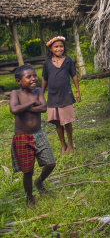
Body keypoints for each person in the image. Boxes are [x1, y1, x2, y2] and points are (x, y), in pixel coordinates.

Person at [10, 65, 56, 207]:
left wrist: (23, 107)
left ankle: (39, 181)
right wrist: (31, 102)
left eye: (34, 75)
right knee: (28, 170)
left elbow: (43, 107)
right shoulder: (15, 93)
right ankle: (30, 197)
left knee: (50, 163)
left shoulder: (38, 91)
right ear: (19, 80)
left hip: (39, 134)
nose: (33, 79)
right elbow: (14, 109)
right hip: (22, 137)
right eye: (28, 77)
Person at [41, 36, 81, 154]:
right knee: (57, 122)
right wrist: (40, 94)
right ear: (51, 49)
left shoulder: (68, 60)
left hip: (65, 95)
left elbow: (74, 75)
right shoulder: (47, 63)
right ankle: (62, 145)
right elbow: (44, 79)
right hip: (53, 96)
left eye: (61, 46)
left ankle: (70, 144)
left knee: (67, 121)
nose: (59, 49)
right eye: (56, 47)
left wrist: (77, 91)